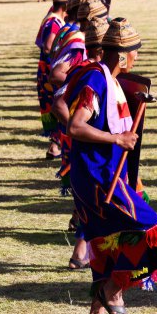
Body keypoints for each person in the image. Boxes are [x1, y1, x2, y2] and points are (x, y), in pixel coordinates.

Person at [65, 18, 157, 314]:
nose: (137, 57)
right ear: (122, 54)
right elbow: (76, 125)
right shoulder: (96, 80)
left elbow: (106, 114)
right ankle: (112, 290)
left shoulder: (108, 79)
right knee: (149, 228)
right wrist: (117, 139)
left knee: (104, 243)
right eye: (135, 52)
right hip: (99, 179)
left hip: (99, 175)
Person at [52, 17, 109, 270]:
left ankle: (83, 253)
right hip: (98, 153)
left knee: (89, 202)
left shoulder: (82, 69)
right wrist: (78, 132)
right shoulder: (93, 75)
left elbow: (59, 104)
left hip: (87, 151)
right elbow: (61, 105)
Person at [35, 0, 70, 159]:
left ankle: (56, 145)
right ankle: (55, 146)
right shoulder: (54, 22)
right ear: (65, 4)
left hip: (46, 71)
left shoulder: (49, 17)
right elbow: (48, 46)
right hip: (51, 72)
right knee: (59, 106)